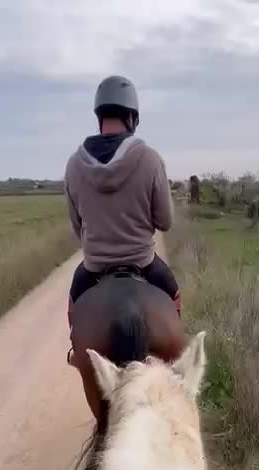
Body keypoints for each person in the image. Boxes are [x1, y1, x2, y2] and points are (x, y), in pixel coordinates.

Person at [64, 75, 181, 332]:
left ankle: (76, 350)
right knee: (173, 295)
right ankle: (176, 361)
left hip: (93, 266)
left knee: (74, 303)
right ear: (133, 117)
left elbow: (77, 229)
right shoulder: (151, 159)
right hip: (143, 262)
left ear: (99, 117)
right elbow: (165, 221)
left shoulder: (73, 165)